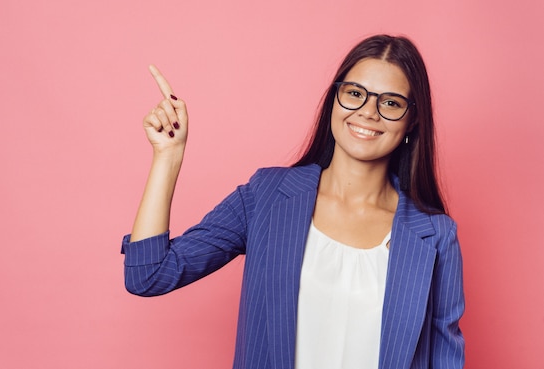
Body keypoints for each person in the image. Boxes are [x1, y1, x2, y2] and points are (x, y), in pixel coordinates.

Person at [121, 34, 465, 369]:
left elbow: (444, 358)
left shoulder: (434, 235)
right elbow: (149, 275)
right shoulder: (267, 196)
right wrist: (167, 156)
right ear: (334, 99)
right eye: (355, 93)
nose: (368, 112)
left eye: (390, 102)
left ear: (412, 119)